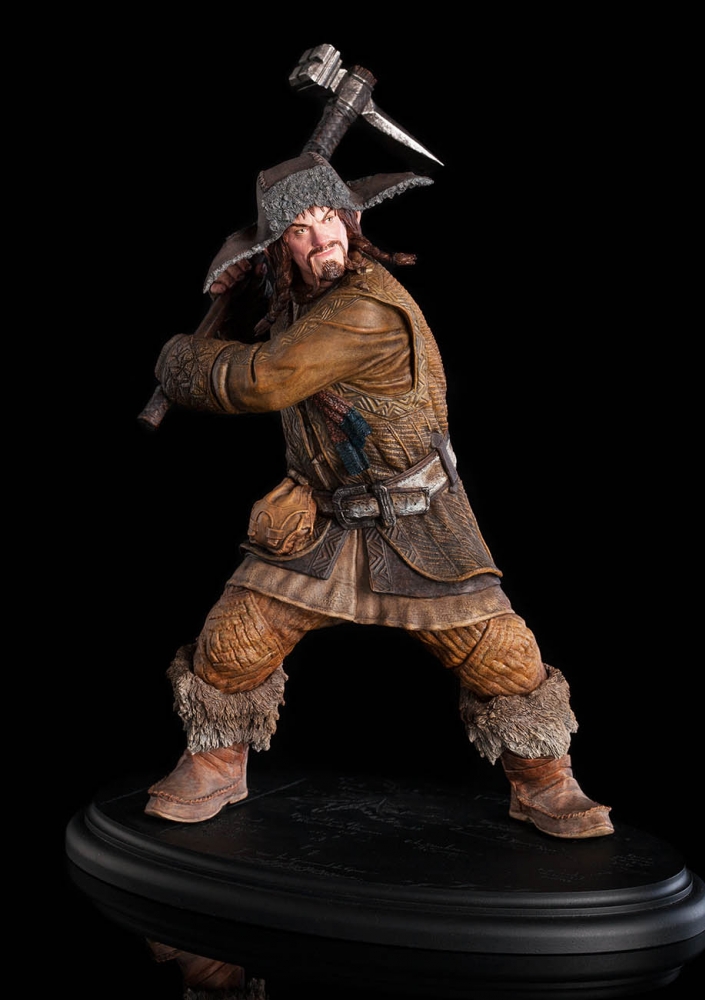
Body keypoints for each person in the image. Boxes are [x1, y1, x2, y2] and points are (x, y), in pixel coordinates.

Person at [144, 150, 613, 840]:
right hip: (322, 517)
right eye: (299, 230)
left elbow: (262, 380)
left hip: (416, 519)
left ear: (352, 220)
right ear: (280, 250)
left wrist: (176, 359)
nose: (322, 240)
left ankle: (544, 781)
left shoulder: (362, 309)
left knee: (503, 658)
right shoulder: (302, 295)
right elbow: (273, 308)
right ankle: (215, 764)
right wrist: (237, 272)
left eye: (330, 219)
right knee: (233, 642)